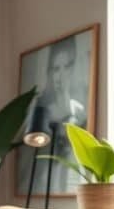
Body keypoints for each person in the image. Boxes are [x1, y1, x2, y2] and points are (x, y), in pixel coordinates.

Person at [26, 36, 87, 194]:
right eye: (55, 68)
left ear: (72, 70)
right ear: (50, 73)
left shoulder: (79, 111)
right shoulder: (48, 113)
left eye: (65, 67)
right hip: (50, 179)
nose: (59, 76)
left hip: (72, 180)